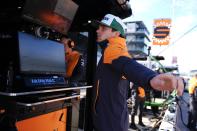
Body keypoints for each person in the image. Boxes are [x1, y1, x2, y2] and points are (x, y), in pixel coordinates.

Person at [91, 14, 184, 131]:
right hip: (112, 119)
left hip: (110, 124)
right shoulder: (109, 48)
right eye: (99, 27)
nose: (98, 30)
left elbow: (128, 64)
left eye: (103, 28)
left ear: (116, 33)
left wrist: (151, 78)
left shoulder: (113, 50)